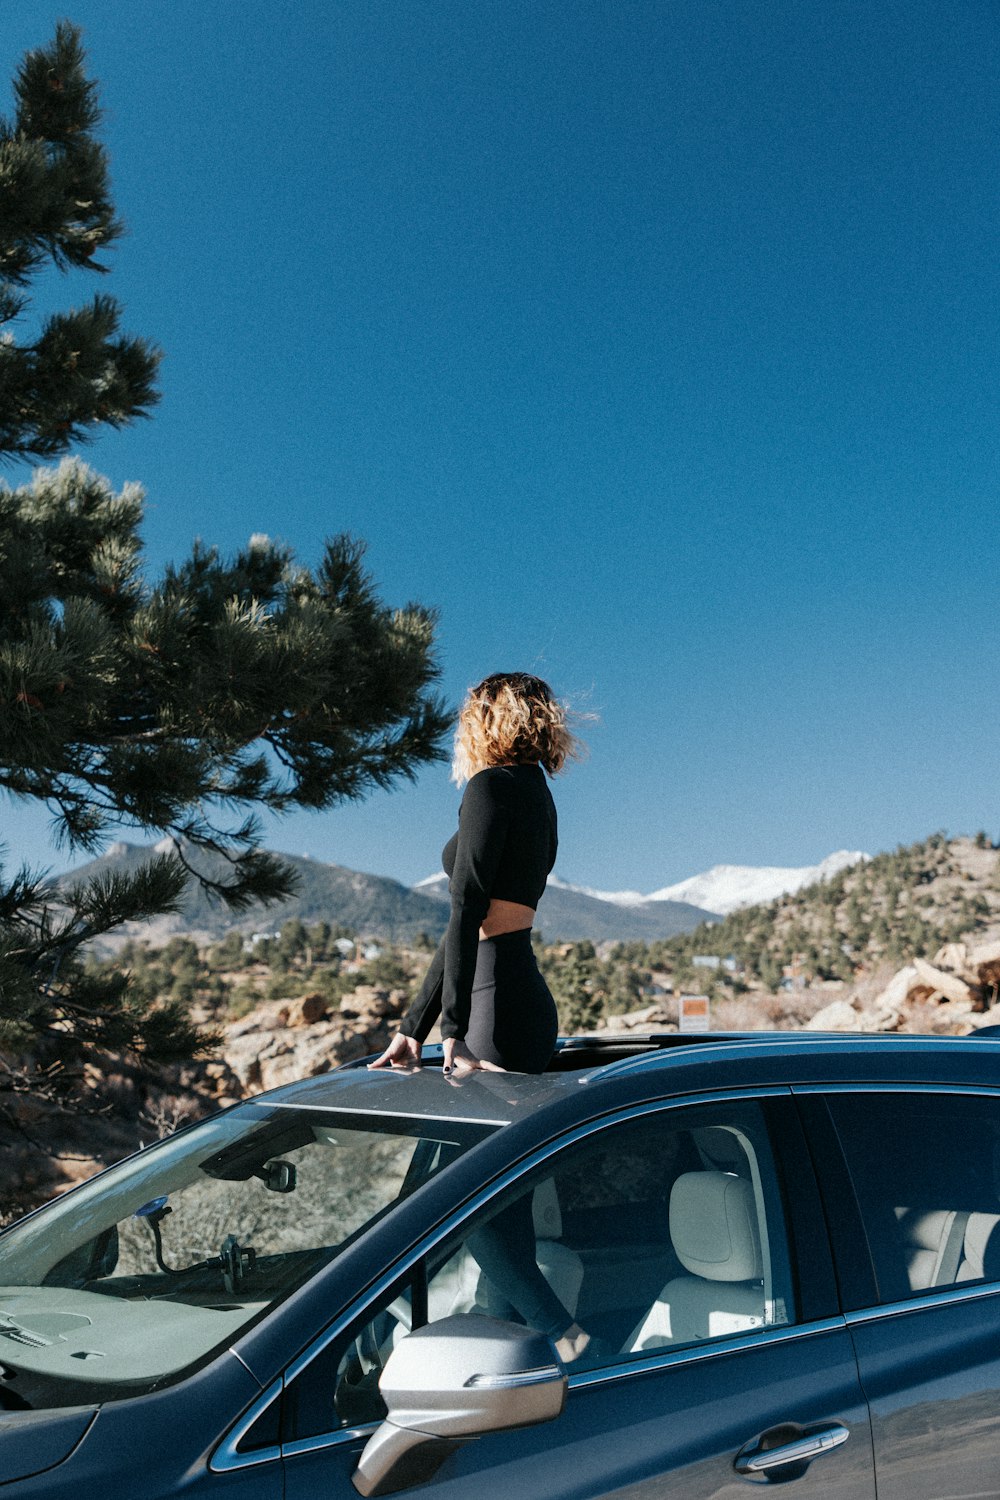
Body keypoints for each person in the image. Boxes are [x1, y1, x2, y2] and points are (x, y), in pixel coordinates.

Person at [370, 670, 593, 1360]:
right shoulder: (539, 797)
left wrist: (453, 1032)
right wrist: (413, 1028)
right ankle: (514, 1360)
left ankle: (566, 1336)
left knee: (453, 1203)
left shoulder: (487, 789)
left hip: (494, 1012)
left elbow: (466, 912)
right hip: (521, 998)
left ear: (485, 720)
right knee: (499, 1204)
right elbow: (466, 926)